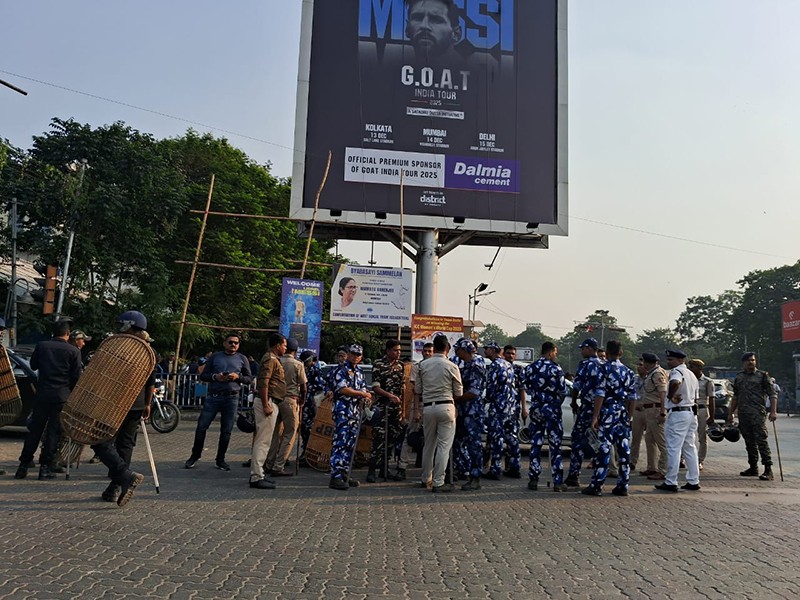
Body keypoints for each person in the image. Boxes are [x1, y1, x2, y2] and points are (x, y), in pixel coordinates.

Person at [91, 310, 155, 507]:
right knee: (125, 445)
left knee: (98, 440)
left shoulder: (118, 348)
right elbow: (150, 383)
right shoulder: (148, 351)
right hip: (136, 404)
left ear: (128, 326)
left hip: (114, 403)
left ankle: (124, 475)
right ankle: (114, 488)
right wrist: (147, 404)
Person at [15, 320, 82, 480]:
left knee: (35, 431)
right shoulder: (73, 351)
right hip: (61, 396)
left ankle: (23, 465)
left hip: (42, 394)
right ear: (67, 334)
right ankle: (45, 468)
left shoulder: (42, 346)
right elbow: (76, 377)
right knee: (54, 432)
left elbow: (33, 365)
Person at [185, 333, 252, 471]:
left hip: (232, 397)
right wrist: (216, 377)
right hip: (213, 397)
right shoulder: (215, 357)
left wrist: (237, 377)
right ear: (224, 343)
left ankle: (220, 459)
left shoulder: (242, 358)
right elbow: (203, 375)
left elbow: (249, 378)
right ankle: (195, 455)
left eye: (236, 343)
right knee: (201, 427)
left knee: (226, 431)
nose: (233, 345)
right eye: (231, 342)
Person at [583, 340, 635, 497]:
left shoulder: (603, 369)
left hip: (607, 411)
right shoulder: (629, 372)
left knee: (604, 448)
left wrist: (595, 416)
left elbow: (600, 393)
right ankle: (623, 484)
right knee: (624, 449)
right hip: (622, 412)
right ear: (621, 352)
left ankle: (597, 484)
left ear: (607, 351)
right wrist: (629, 416)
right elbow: (633, 397)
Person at [416, 334, 462, 492]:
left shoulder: (423, 365)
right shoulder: (452, 366)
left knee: (428, 445)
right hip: (446, 407)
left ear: (433, 347)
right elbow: (459, 392)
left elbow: (417, 389)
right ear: (447, 348)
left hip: (428, 407)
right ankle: (438, 482)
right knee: (443, 446)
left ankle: (425, 478)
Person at [654, 350, 700, 493]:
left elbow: (675, 383)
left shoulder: (676, 372)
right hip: (690, 412)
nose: (669, 362)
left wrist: (670, 397)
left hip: (678, 413)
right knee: (689, 447)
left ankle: (671, 481)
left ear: (680, 360)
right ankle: (693, 480)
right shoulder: (692, 374)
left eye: (671, 359)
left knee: (674, 448)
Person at [727, 352, 777, 481]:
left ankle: (768, 469)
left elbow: (772, 394)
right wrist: (731, 413)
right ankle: (753, 467)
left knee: (761, 440)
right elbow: (736, 397)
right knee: (749, 442)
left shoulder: (762, 376)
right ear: (743, 362)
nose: (751, 362)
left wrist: (773, 411)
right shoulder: (739, 377)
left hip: (757, 413)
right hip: (743, 414)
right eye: (748, 360)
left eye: (753, 360)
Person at [524, 342, 566, 492]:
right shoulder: (556, 369)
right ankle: (557, 482)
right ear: (550, 353)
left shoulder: (530, 368)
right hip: (552, 409)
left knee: (536, 443)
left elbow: (526, 387)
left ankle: (533, 479)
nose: (556, 355)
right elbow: (563, 391)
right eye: (555, 352)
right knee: (555, 445)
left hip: (536, 408)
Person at [329, 344, 371, 491]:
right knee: (340, 443)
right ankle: (336, 476)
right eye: (353, 354)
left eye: (358, 355)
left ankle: (345, 473)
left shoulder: (360, 372)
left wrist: (366, 396)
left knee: (350, 445)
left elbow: (364, 388)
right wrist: (362, 394)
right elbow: (343, 389)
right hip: (343, 412)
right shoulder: (340, 370)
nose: (356, 357)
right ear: (348, 354)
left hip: (355, 413)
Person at [249, 333, 287, 489]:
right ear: (277, 345)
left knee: (265, 441)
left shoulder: (273, 359)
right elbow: (264, 382)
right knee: (262, 442)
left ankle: (259, 474)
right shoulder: (270, 359)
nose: (285, 348)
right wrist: (266, 404)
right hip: (268, 401)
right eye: (284, 345)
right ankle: (256, 476)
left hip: (272, 401)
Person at [565, 338, 604, 487]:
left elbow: (577, 386)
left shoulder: (585, 364)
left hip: (587, 407)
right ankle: (599, 477)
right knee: (599, 442)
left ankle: (574, 475)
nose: (581, 351)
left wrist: (574, 401)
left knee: (577, 440)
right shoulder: (604, 364)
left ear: (589, 349)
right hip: (601, 409)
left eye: (583, 349)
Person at [265, 337, 306, 477]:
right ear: (295, 351)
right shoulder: (297, 364)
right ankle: (279, 465)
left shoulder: (276, 360)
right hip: (290, 400)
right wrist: (302, 400)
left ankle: (269, 463)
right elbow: (303, 386)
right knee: (290, 433)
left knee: (275, 433)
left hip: (276, 399)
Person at [367, 339, 406, 483]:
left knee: (391, 440)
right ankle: (372, 470)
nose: (398, 353)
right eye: (396, 350)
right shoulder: (379, 364)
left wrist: (402, 409)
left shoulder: (401, 366)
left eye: (400, 350)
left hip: (396, 410)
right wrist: (389, 396)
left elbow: (403, 388)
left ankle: (385, 469)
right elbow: (376, 387)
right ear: (388, 351)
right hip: (382, 408)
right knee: (378, 440)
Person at [452, 338, 486, 491]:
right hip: (465, 412)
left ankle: (475, 476)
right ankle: (465, 470)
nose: (456, 352)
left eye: (458, 349)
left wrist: (457, 398)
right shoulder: (465, 364)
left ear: (464, 350)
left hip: (473, 413)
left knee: (474, 445)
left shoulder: (475, 365)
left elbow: (474, 392)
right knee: (460, 442)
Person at [398, 342, 434, 476]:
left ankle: (428, 469)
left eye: (430, 351)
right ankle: (402, 467)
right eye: (425, 351)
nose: (427, 353)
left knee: (431, 438)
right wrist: (416, 410)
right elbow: (415, 389)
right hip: (419, 404)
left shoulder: (437, 366)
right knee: (410, 436)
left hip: (433, 404)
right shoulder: (417, 367)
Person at [482, 341, 516, 480]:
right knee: (510, 438)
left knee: (496, 438)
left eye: (487, 349)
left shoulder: (495, 365)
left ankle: (495, 469)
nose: (485, 352)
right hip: (509, 406)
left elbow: (491, 387)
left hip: (498, 406)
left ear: (492, 350)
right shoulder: (508, 364)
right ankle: (514, 466)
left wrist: (486, 400)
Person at [636, 353, 668, 481]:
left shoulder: (657, 374)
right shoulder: (651, 373)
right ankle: (652, 467)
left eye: (643, 362)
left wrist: (662, 412)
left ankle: (664, 470)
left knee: (662, 442)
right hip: (649, 409)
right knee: (649, 439)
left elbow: (663, 393)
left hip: (655, 409)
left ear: (647, 363)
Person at [503, 345, 527, 477]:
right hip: (501, 409)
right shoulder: (499, 367)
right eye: (508, 353)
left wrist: (524, 408)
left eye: (512, 354)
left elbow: (522, 390)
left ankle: (513, 467)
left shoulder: (518, 369)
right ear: (503, 354)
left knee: (512, 439)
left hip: (514, 410)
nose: (510, 356)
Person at [687, 358, 715, 470]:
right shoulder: (688, 380)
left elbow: (712, 399)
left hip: (702, 409)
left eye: (692, 367)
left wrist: (712, 416)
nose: (690, 369)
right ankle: (684, 458)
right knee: (687, 435)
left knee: (702, 437)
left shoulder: (707, 381)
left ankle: (700, 460)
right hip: (689, 408)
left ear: (700, 368)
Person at [299, 350, 325, 464]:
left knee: (309, 430)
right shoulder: (307, 370)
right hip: (306, 404)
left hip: (311, 406)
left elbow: (320, 386)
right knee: (304, 430)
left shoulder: (316, 371)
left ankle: (310, 455)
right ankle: (305, 452)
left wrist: (309, 389)